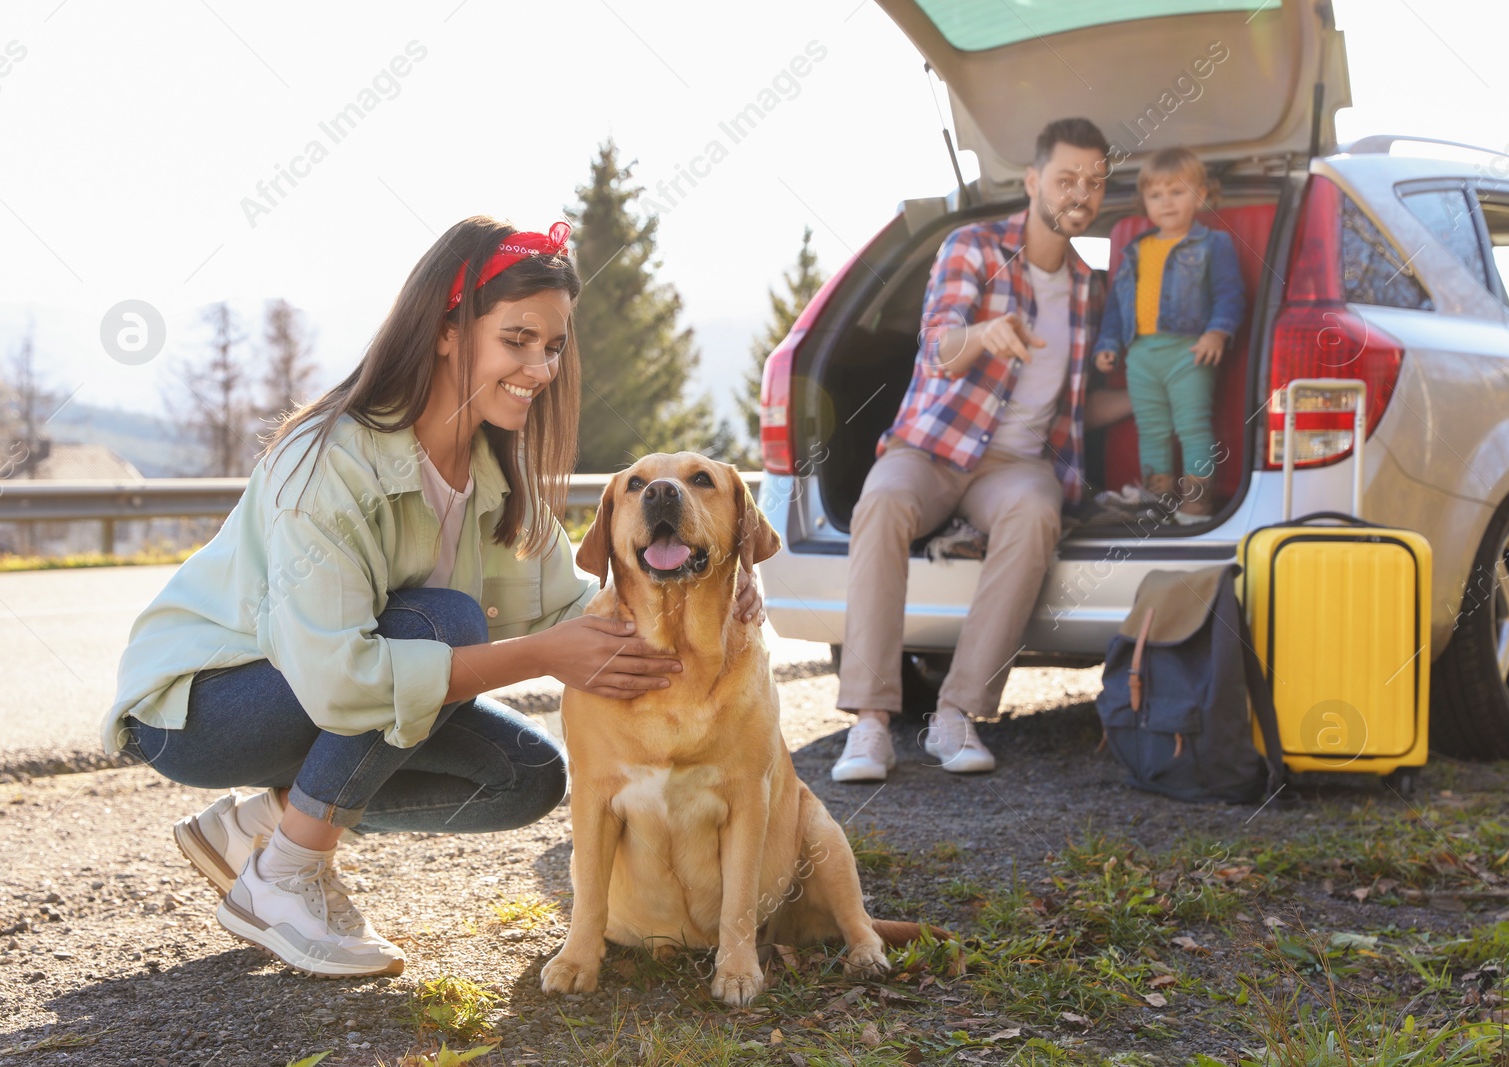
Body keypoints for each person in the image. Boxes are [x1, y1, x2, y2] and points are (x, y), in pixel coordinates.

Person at [101, 216, 763, 977]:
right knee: (445, 622)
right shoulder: (325, 461)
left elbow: (576, 604)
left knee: (528, 777)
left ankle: (270, 821)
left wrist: (724, 579)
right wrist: (541, 656)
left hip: (318, 700)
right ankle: (284, 876)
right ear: (447, 330)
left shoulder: (492, 472)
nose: (541, 368)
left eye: (552, 347)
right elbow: (341, 680)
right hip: (201, 707)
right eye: (517, 340)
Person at [831, 118, 1110, 784]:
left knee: (1037, 508)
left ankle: (956, 712)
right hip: (930, 447)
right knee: (883, 501)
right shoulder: (974, 249)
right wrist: (986, 333)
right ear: (1034, 180)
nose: (1081, 192)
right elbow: (939, 347)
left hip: (1011, 467)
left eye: (1095, 182)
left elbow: (1081, 404)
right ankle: (871, 723)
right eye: (1067, 178)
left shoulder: (1091, 291)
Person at [1092, 146, 1244, 523]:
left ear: (1201, 196)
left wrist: (1217, 333)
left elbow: (1230, 294)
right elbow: (1115, 305)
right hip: (1141, 354)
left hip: (1189, 351)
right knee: (1152, 428)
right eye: (1156, 195)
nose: (1167, 203)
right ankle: (1156, 500)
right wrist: (1108, 344)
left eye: (1178, 192)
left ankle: (1196, 505)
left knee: (1192, 425)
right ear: (1144, 202)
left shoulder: (1212, 244)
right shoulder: (1135, 250)